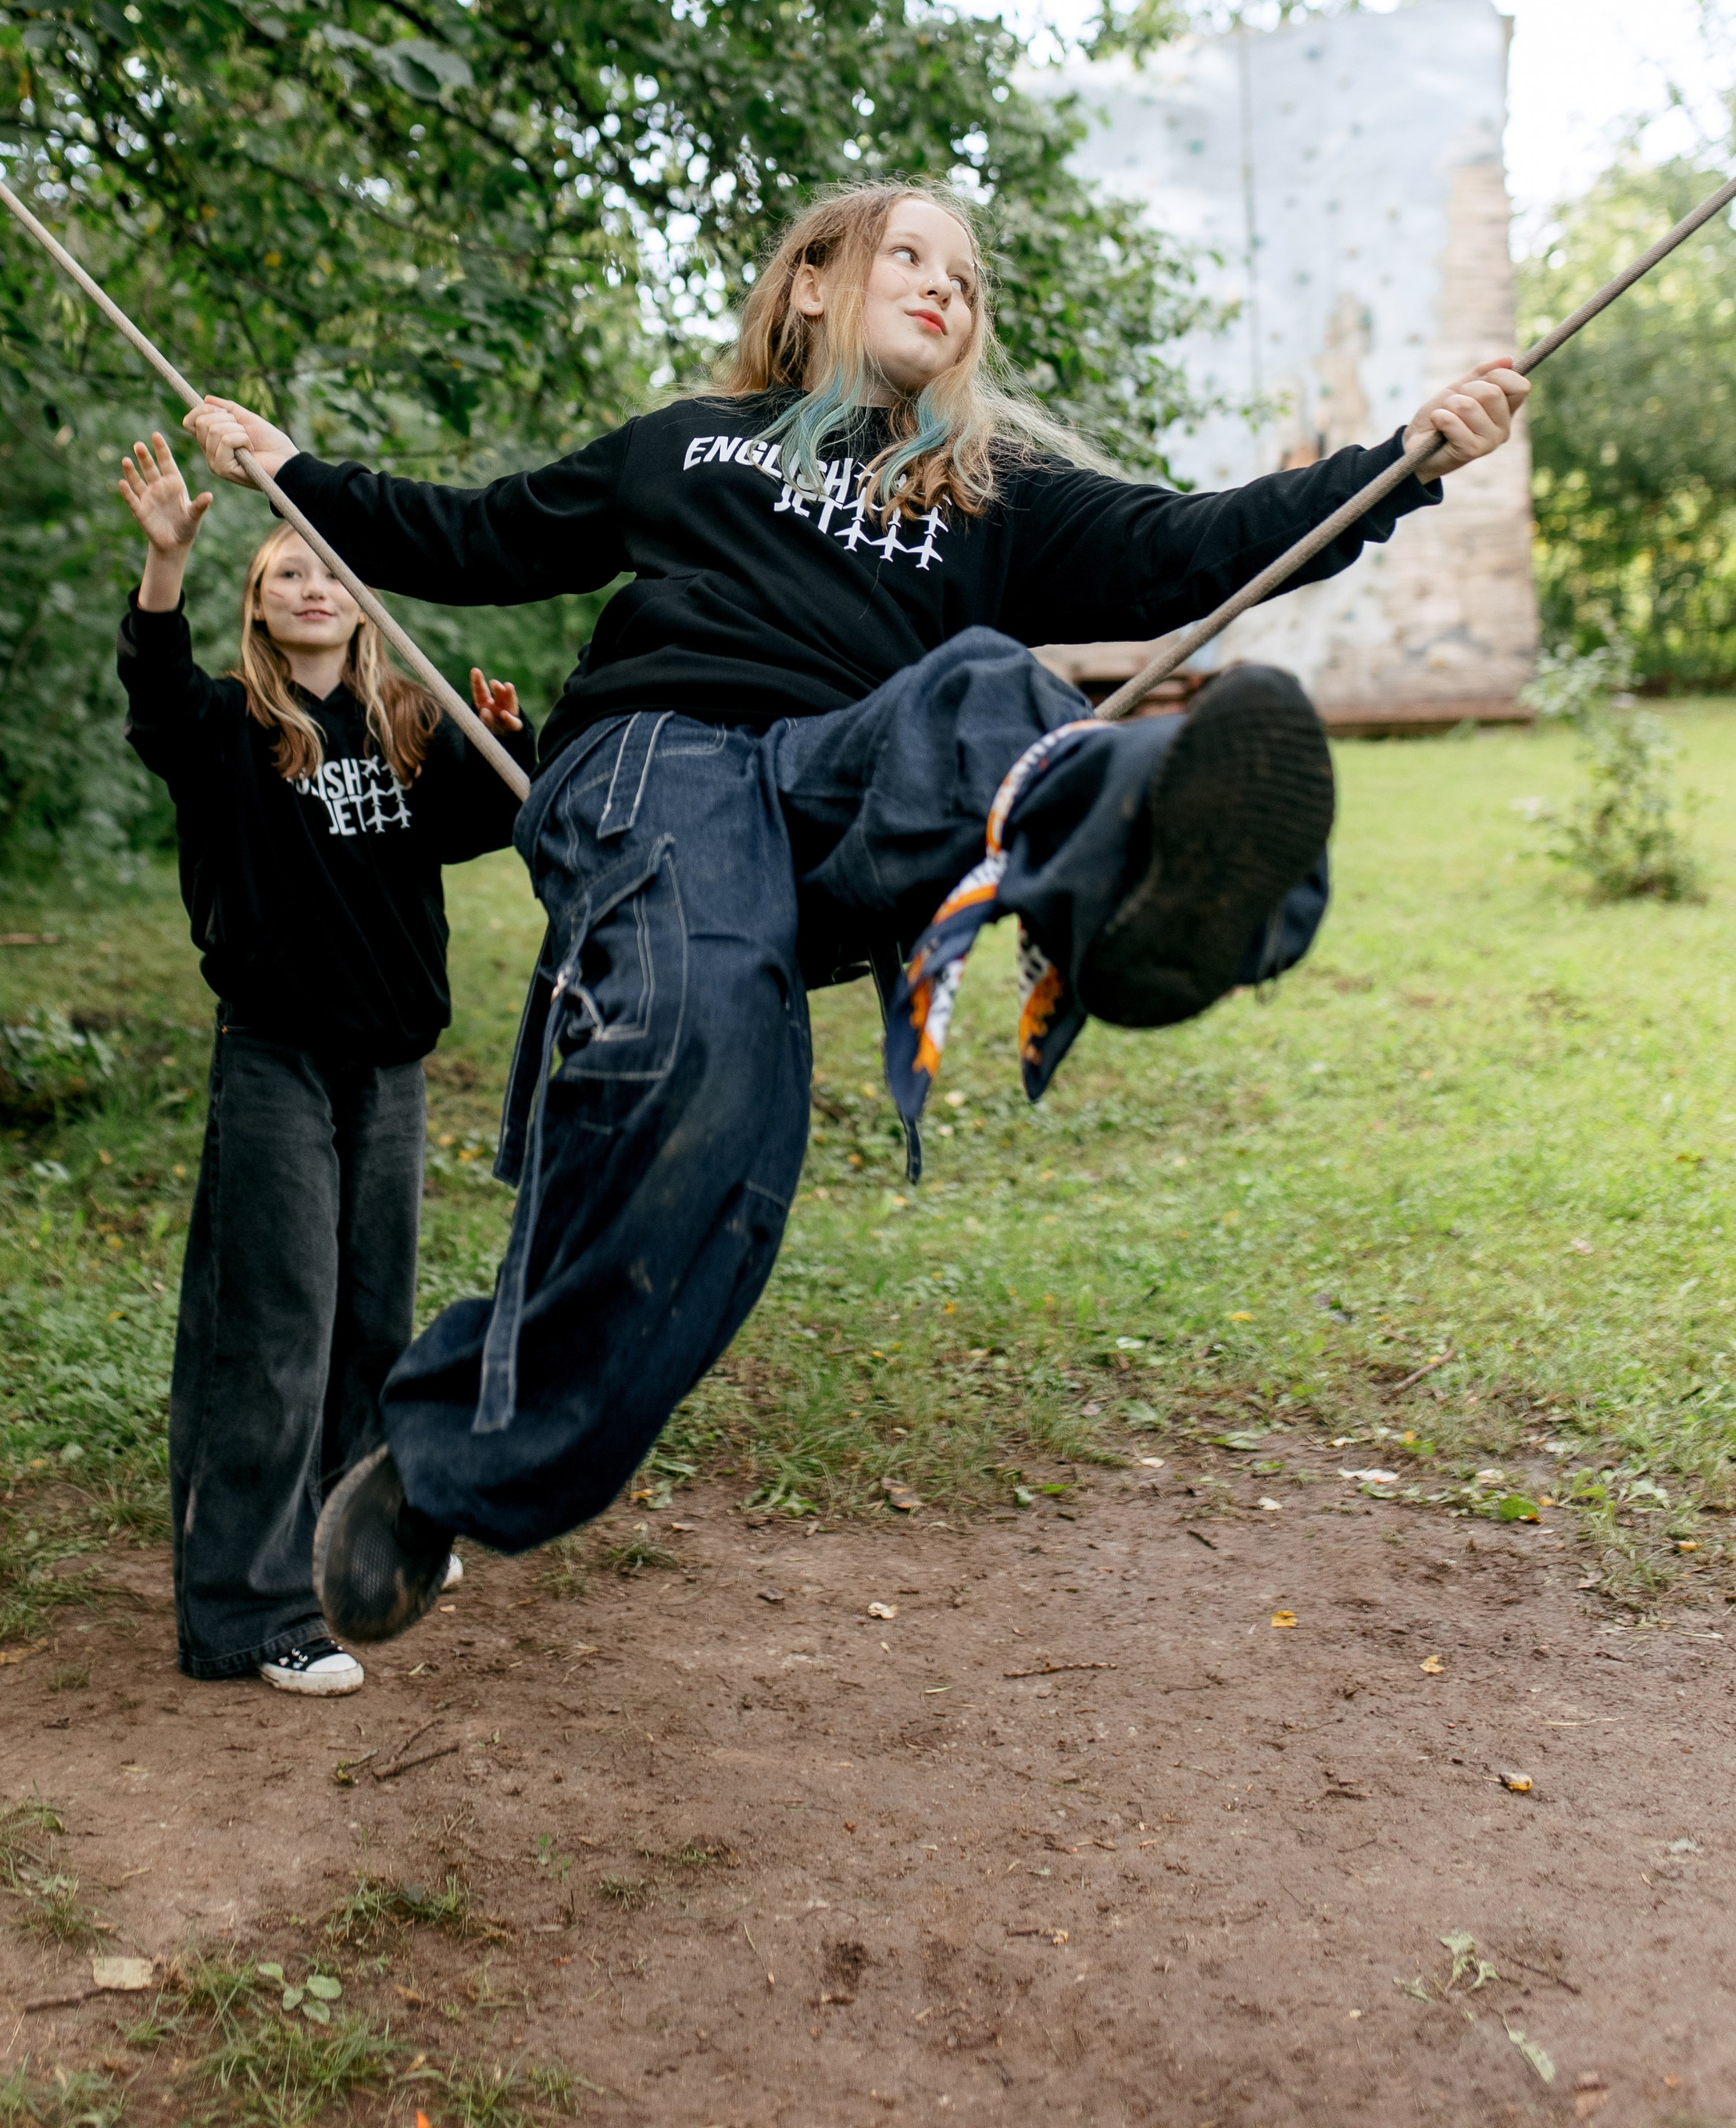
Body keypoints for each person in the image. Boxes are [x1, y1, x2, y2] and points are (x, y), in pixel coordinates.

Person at [180, 183, 1527, 1647]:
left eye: (965, 272)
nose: (945, 285)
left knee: (992, 694)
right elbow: (474, 536)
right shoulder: (688, 445)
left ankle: (1136, 905)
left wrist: (1400, 464)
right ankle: (449, 1465)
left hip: (849, 800)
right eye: (909, 255)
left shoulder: (983, 484)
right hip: (663, 768)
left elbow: (1194, 547)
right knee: (719, 1123)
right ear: (811, 283)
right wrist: (294, 471)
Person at [116, 431, 534, 1694]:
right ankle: (245, 1614)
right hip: (278, 1061)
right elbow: (149, 693)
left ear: (361, 599)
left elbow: (497, 816)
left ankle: (359, 1542)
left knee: (371, 1323)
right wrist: (165, 562)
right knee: (279, 1328)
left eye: (329, 566)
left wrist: (502, 741)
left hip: (390, 1065)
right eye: (282, 569)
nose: (308, 581)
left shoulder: (406, 727)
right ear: (259, 604)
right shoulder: (226, 729)